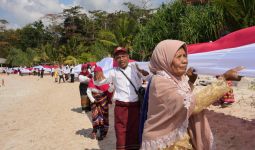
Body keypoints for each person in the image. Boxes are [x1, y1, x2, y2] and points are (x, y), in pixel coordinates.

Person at [140, 40, 243, 150]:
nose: (184, 61)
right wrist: (223, 80)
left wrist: (189, 82)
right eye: (178, 57)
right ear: (165, 59)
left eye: (185, 56)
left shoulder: (175, 79)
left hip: (177, 135)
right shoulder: (160, 82)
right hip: (164, 142)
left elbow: (181, 97)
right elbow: (189, 104)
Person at [106, 47, 150, 149]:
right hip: (121, 107)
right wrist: (96, 78)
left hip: (135, 107)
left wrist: (144, 72)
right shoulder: (113, 72)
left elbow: (147, 77)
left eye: (123, 56)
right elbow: (101, 81)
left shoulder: (135, 68)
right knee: (120, 131)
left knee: (136, 131)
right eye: (118, 57)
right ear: (115, 60)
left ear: (128, 57)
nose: (121, 59)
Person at [86, 66, 114, 140]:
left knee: (103, 116)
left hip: (103, 100)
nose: (96, 74)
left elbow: (110, 91)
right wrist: (92, 99)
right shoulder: (92, 80)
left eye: (97, 73)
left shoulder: (105, 81)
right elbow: (88, 91)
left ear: (101, 73)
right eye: (95, 73)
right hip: (94, 101)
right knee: (95, 116)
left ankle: (103, 132)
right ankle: (95, 130)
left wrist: (112, 86)